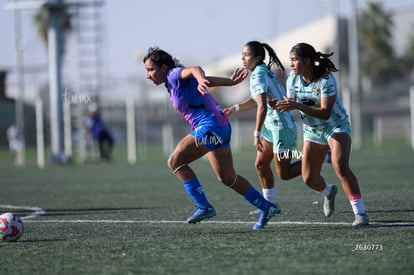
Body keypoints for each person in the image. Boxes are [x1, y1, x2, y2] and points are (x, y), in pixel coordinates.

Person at [142, 46, 280, 230]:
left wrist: (200, 80)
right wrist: (230, 82)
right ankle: (266, 207)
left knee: (175, 162)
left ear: (164, 68)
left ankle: (203, 206)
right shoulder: (172, 81)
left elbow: (196, 70)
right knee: (227, 177)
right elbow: (203, 79)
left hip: (210, 127)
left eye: (150, 69)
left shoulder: (174, 74)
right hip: (220, 128)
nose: (148, 75)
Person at [274, 42, 369, 226]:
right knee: (308, 177)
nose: (291, 64)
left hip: (335, 126)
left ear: (307, 61)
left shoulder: (326, 79)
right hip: (312, 130)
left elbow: (325, 112)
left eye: (295, 60)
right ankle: (328, 192)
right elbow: (290, 103)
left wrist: (297, 106)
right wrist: (278, 105)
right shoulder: (292, 80)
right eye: (290, 60)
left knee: (340, 166)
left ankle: (360, 214)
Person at [223, 41, 301, 214]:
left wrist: (256, 133)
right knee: (260, 165)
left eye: (247, 55)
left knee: (285, 173)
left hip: (281, 127)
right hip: (271, 126)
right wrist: (235, 108)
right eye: (242, 54)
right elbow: (256, 100)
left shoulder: (258, 75)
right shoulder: (260, 72)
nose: (243, 58)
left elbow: (262, 107)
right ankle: (270, 205)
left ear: (258, 57)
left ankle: (318, 158)